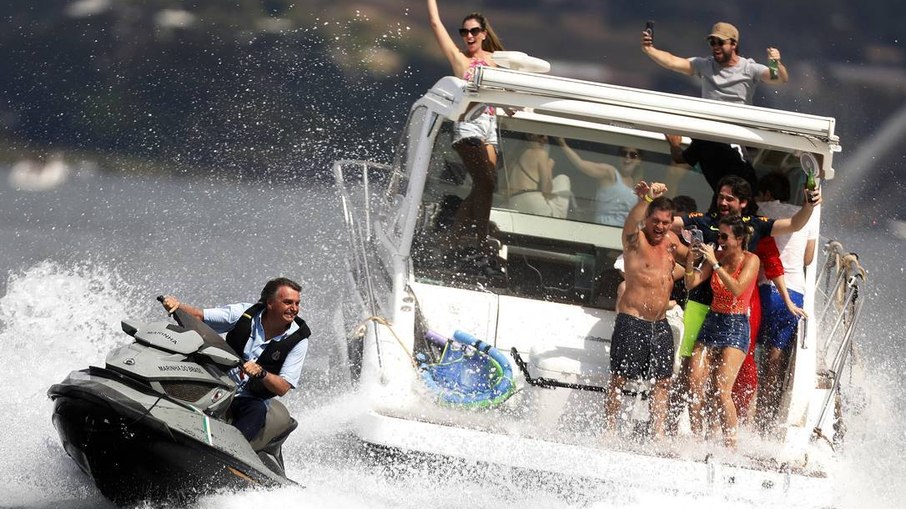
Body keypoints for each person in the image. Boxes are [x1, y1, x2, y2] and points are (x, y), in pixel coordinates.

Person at [160, 277, 311, 442]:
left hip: (249, 398)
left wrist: (262, 374)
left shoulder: (299, 340)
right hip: (217, 381)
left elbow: (283, 387)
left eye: (297, 303)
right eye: (288, 302)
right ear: (270, 303)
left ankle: (227, 451)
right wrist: (177, 305)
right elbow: (199, 316)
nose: (294, 308)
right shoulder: (244, 313)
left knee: (257, 410)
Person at [605, 181, 685, 438]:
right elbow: (631, 222)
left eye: (666, 222)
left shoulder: (671, 242)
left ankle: (658, 434)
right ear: (647, 218)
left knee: (663, 381)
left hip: (660, 323)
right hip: (633, 320)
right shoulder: (634, 241)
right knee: (619, 379)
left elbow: (691, 257)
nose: (660, 227)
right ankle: (609, 430)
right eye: (656, 221)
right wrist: (646, 199)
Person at [427, 0, 505, 254]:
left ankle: (453, 238)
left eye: (473, 31)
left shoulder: (496, 60)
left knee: (487, 184)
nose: (468, 36)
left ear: (483, 34)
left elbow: (509, 88)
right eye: (464, 32)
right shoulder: (460, 60)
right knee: (484, 182)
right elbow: (435, 23)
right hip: (468, 125)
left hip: (490, 124)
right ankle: (480, 242)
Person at [683, 215, 760, 447]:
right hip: (712, 321)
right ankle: (698, 441)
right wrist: (690, 258)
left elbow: (737, 288)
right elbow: (691, 283)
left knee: (721, 389)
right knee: (694, 384)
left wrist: (715, 264)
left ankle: (730, 446)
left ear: (739, 239)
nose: (720, 241)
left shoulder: (751, 260)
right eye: (719, 236)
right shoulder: (715, 256)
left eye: (725, 237)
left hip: (736, 325)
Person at [754, 173, 819, 432]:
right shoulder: (809, 214)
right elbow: (807, 258)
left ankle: (745, 413)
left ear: (767, 194)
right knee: (774, 360)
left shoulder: (762, 210)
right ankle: (765, 421)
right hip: (793, 294)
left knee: (748, 355)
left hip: (764, 290)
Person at [641, 21, 788, 105]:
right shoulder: (704, 65)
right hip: (712, 128)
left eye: (720, 42)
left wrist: (775, 63)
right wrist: (649, 50)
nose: (716, 46)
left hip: (738, 129)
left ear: (733, 44)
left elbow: (778, 79)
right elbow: (672, 62)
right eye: (712, 42)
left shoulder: (749, 68)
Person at [557, 137, 641, 226]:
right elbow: (580, 164)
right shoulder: (610, 173)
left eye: (633, 155)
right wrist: (562, 144)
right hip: (604, 228)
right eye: (623, 153)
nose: (627, 156)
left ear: (639, 160)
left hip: (624, 234)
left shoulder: (637, 184)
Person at [506, 133, 570, 218]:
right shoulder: (541, 153)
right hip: (533, 202)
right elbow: (547, 190)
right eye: (541, 136)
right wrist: (549, 167)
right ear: (530, 136)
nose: (544, 140)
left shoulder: (514, 160)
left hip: (514, 202)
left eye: (547, 139)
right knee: (562, 178)